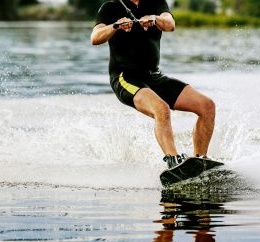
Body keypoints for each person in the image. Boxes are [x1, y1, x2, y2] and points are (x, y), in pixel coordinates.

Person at [90, 0, 216, 169]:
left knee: (207, 106)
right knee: (161, 109)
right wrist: (115, 26)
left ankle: (201, 161)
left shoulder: (156, 3)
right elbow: (95, 37)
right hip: (125, 78)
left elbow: (170, 24)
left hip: (154, 77)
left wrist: (156, 19)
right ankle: (173, 161)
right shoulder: (111, 7)